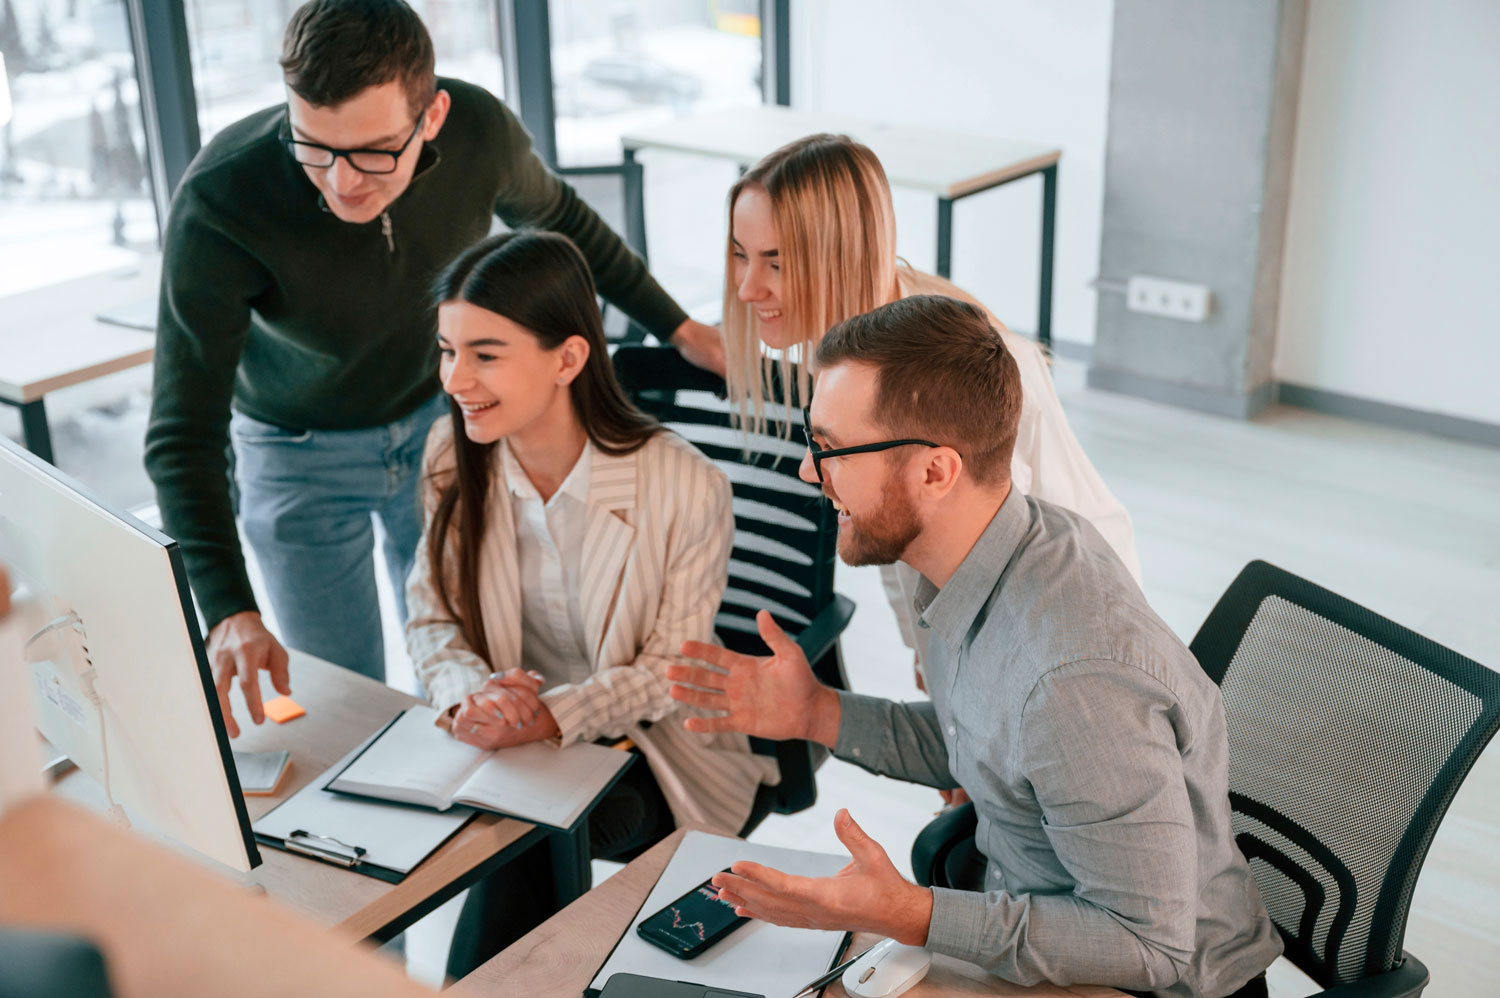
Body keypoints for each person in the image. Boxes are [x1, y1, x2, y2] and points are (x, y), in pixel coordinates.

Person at [666, 295, 1282, 998]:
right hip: (1026, 909)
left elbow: (1146, 945)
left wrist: (911, 914)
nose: (810, 473)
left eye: (832, 450)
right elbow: (986, 741)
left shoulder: (1072, 680)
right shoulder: (998, 550)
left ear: (935, 472)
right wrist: (818, 714)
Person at [144, 0, 724, 737]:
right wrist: (227, 605)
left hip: (443, 428)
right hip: (297, 457)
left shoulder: (483, 134)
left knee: (468, 678)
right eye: (314, 147)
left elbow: (566, 223)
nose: (342, 182)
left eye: (376, 151)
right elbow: (182, 432)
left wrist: (678, 326)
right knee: (345, 705)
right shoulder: (222, 197)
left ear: (434, 115)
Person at [405, 230, 774, 978]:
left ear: (569, 359)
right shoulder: (453, 456)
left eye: (485, 353)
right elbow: (432, 618)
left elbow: (671, 669)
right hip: (508, 743)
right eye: (448, 350)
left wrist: (551, 716)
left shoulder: (684, 484)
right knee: (518, 823)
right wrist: (471, 697)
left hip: (656, 745)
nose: (454, 378)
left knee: (529, 833)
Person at [718, 133, 1140, 711]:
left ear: (840, 256)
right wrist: (931, 667)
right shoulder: (851, 350)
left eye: (776, 262)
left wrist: (967, 711)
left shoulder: (928, 377)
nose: (746, 287)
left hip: (1069, 654)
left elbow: (999, 576)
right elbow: (903, 542)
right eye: (740, 253)